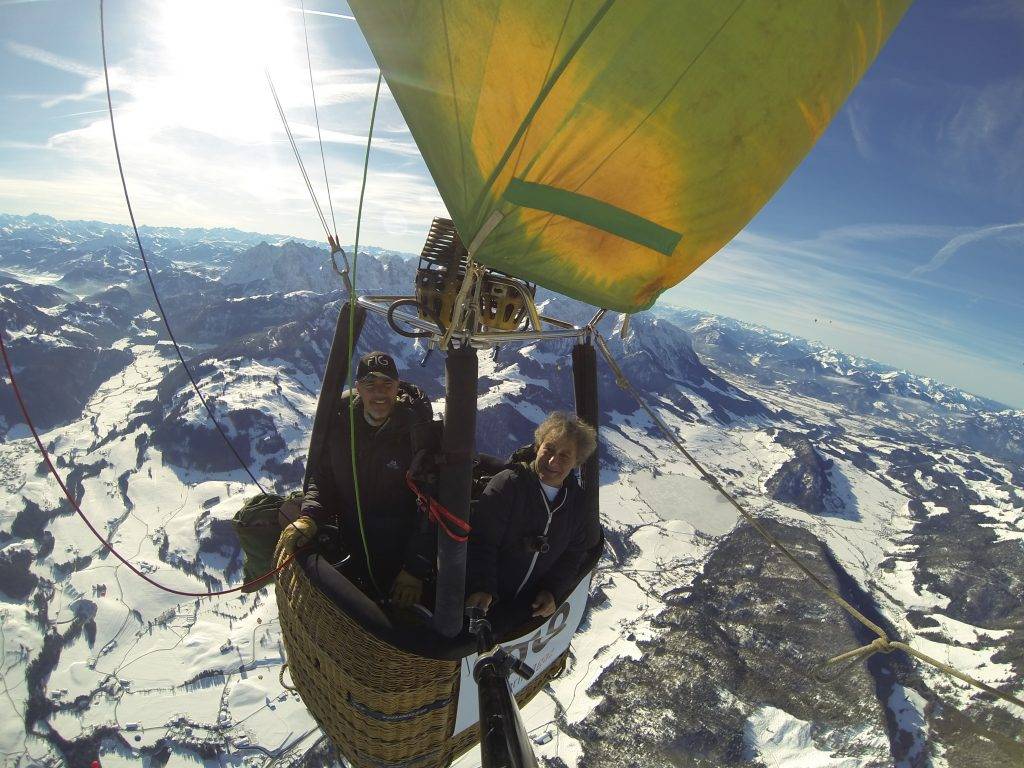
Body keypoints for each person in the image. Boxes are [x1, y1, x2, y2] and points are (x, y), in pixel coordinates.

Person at [300, 351, 434, 608]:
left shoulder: (417, 437)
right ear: (358, 388)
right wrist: (310, 516)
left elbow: (432, 507)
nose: (379, 392)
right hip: (351, 547)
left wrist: (415, 569)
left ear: (397, 387)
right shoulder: (341, 430)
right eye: (370, 384)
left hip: (401, 558)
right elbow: (323, 479)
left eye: (387, 384)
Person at [465, 412, 597, 619]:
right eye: (549, 449)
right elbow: (482, 541)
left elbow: (573, 555)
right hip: (483, 602)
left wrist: (552, 590)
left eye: (564, 455)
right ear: (538, 447)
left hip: (525, 612)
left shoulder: (577, 504)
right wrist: (481, 587)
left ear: (576, 462)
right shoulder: (509, 484)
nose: (553, 461)